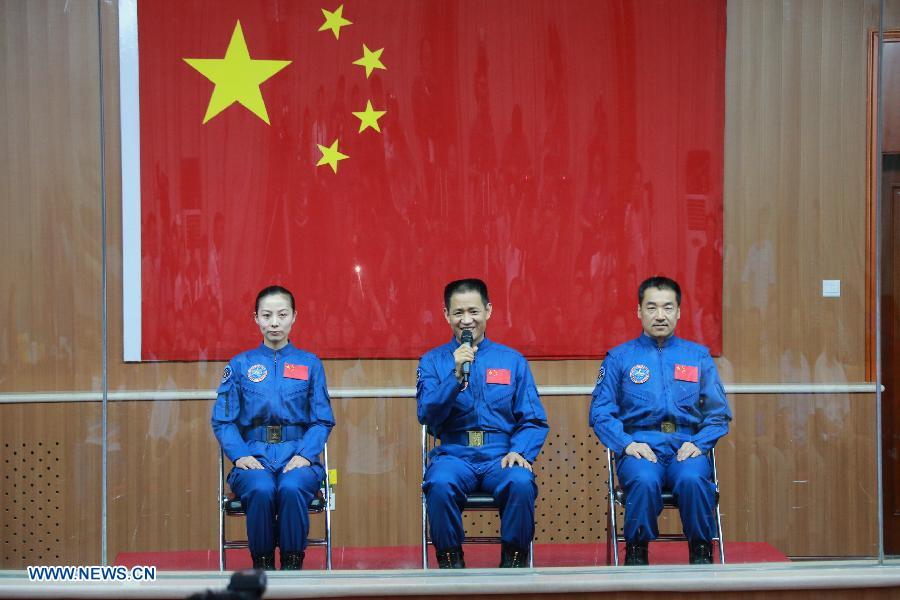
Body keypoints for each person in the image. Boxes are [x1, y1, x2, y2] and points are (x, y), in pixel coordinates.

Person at [590, 276, 732, 565]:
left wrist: (700, 443)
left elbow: (719, 414)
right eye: (652, 307)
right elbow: (600, 413)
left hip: (686, 446)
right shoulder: (619, 358)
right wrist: (626, 444)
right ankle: (637, 552)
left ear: (679, 312)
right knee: (642, 480)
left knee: (694, 479)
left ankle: (702, 552)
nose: (660, 315)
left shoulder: (697, 357)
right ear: (639, 311)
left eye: (668, 307)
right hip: (641, 447)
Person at [417, 278, 549, 568]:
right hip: (454, 454)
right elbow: (427, 414)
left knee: (521, 481)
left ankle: (514, 563)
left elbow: (534, 419)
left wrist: (521, 452)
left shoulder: (511, 360)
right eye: (458, 313)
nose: (467, 320)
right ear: (446, 315)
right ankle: (451, 565)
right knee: (438, 483)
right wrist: (454, 376)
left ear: (488, 310)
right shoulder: (432, 362)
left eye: (474, 311)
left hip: (500, 454)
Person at [211, 285, 335, 570]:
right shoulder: (240, 364)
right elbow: (223, 419)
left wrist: (305, 455)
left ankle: (293, 566)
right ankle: (263, 564)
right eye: (267, 315)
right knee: (262, 488)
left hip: (298, 455)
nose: (275, 322)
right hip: (253, 456)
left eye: (282, 314)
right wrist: (239, 456)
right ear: (256, 318)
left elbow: (322, 419)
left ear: (294, 317)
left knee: (292, 488)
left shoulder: (310, 363)